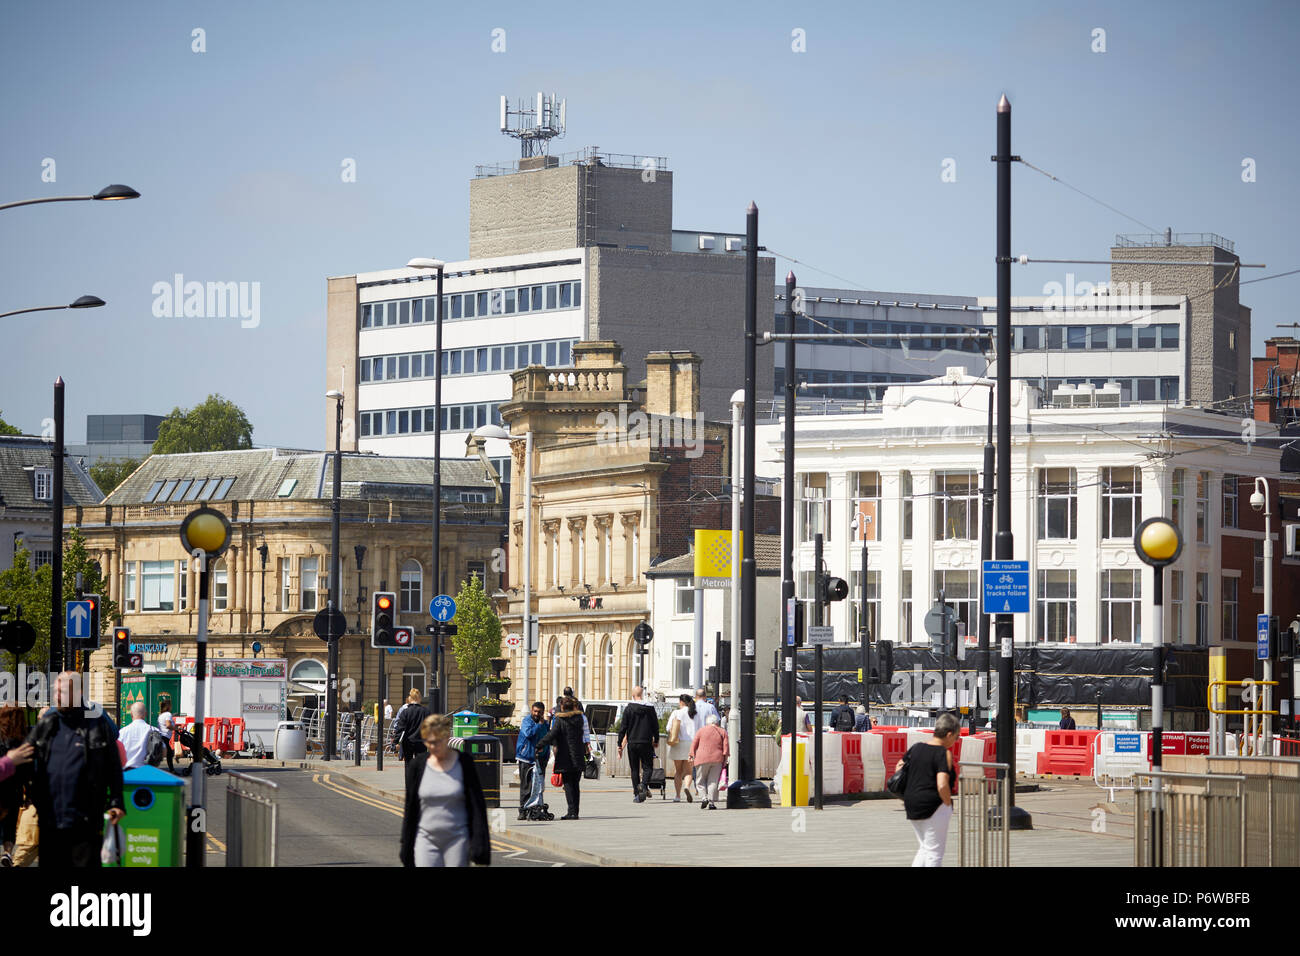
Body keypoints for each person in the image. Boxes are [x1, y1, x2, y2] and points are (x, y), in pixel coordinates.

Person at [25, 672, 126, 867]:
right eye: (55, 691)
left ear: (78, 692)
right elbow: (27, 759)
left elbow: (113, 766)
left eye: (62, 692)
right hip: (50, 820)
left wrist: (116, 801)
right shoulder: (47, 723)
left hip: (85, 821)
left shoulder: (97, 725)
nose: (57, 696)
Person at [399, 714, 490, 867]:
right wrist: (406, 845)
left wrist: (480, 844)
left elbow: (477, 805)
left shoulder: (464, 763)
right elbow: (411, 808)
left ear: (447, 737)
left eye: (436, 742)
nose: (432, 746)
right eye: (428, 742)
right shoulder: (417, 766)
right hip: (426, 838)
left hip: (457, 839)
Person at [901, 711, 961, 867]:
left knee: (924, 848)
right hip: (934, 806)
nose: (955, 741)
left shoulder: (916, 748)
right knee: (935, 853)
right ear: (949, 734)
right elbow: (942, 784)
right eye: (956, 737)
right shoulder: (943, 753)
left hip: (912, 803)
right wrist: (947, 803)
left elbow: (899, 767)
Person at [536, 696, 588, 819]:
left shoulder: (560, 720)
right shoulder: (580, 719)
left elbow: (551, 734)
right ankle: (575, 811)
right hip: (578, 755)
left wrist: (539, 745)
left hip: (566, 756)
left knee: (568, 785)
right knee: (575, 785)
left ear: (563, 707)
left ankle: (571, 812)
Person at [0, 705, 34, 867]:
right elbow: (28, 771)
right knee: (10, 825)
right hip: (14, 790)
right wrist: (28, 793)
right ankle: (7, 851)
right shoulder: (23, 741)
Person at [617, 686, 660, 803]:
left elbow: (623, 727)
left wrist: (619, 744)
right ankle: (644, 785)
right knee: (648, 767)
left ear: (633, 695)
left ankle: (637, 794)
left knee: (634, 769)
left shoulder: (629, 708)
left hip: (632, 742)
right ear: (643, 694)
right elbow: (655, 726)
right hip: (646, 741)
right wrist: (656, 739)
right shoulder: (650, 708)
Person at [391, 689, 432, 789]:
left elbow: (400, 729)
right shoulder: (426, 712)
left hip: (408, 742)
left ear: (410, 698)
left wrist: (395, 742)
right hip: (421, 742)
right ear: (419, 698)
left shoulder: (405, 712)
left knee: (408, 764)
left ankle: (410, 787)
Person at [516, 702, 550, 819]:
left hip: (540, 758)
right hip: (526, 757)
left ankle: (535, 808)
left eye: (539, 712)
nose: (537, 714)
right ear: (531, 710)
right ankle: (523, 810)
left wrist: (545, 751)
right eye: (535, 711)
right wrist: (539, 725)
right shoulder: (527, 721)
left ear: (543, 712)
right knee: (526, 786)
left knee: (539, 785)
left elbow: (547, 738)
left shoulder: (545, 724)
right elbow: (528, 733)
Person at [689, 713, 729, 810]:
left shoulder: (701, 730)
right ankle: (711, 802)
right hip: (717, 759)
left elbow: (694, 743)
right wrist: (725, 759)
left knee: (700, 780)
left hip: (701, 759)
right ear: (716, 722)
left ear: (707, 722)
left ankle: (704, 797)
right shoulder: (722, 731)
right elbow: (726, 747)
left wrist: (691, 755)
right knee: (713, 781)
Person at [666, 694, 697, 802]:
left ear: (681, 702)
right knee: (689, 771)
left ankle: (677, 796)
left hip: (678, 743)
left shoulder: (676, 713)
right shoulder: (694, 713)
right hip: (691, 744)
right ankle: (687, 787)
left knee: (678, 771)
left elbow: (668, 727)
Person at [118, 702, 154, 771]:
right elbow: (163, 752)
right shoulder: (153, 730)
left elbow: (118, 752)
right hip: (147, 770)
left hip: (128, 771)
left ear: (131, 714)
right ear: (145, 714)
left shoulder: (122, 732)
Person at [157, 695, 175, 773]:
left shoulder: (161, 715)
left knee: (168, 754)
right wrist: (176, 728)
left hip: (161, 735)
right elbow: (168, 725)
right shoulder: (168, 714)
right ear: (168, 706)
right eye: (170, 705)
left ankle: (172, 770)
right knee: (169, 754)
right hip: (165, 736)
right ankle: (172, 770)